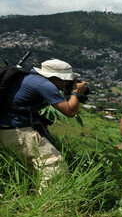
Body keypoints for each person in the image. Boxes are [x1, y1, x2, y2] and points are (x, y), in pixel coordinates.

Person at [0, 59, 87, 187]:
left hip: (8, 131)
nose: (67, 83)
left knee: (36, 171)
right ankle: (51, 198)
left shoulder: (28, 77)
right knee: (53, 165)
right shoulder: (44, 85)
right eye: (66, 80)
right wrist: (75, 93)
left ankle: (33, 194)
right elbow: (70, 111)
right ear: (56, 77)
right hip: (20, 132)